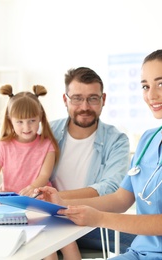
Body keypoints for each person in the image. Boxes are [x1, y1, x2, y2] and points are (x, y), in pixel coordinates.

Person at [37, 48, 162, 259]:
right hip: (141, 252)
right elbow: (120, 199)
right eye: (145, 86)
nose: (151, 95)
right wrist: (62, 201)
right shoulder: (148, 139)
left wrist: (98, 219)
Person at [0, 85, 80, 260]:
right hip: (14, 208)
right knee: (49, 253)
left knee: (69, 243)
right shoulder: (2, 147)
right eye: (20, 121)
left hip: (42, 203)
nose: (26, 127)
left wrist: (31, 189)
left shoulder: (47, 144)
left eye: (32, 121)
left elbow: (44, 176)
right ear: (10, 120)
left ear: (40, 118)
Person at [49, 67, 134, 256]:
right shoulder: (47, 132)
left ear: (103, 100)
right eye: (77, 98)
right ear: (66, 100)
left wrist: (58, 199)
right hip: (47, 220)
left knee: (148, 242)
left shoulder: (117, 140)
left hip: (91, 223)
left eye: (92, 99)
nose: (85, 107)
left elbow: (111, 188)